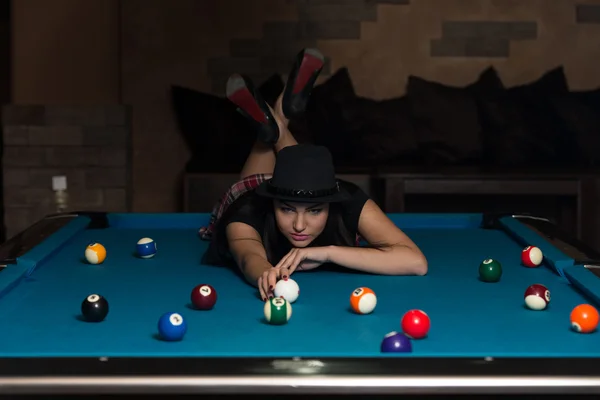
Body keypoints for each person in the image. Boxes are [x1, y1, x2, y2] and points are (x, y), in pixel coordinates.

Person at [200, 48, 427, 301]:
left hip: (300, 179)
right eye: (286, 209)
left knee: (290, 157)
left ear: (331, 201)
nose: (299, 225)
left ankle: (276, 121)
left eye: (315, 211)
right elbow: (248, 256)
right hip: (252, 191)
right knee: (276, 153)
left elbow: (416, 262)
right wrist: (267, 273)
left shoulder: (349, 200)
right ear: (273, 203)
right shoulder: (246, 211)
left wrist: (327, 252)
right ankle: (278, 118)